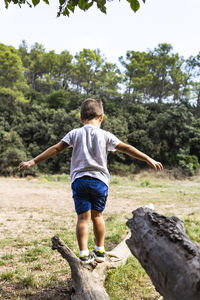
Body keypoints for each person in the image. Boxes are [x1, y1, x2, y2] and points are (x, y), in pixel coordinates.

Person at [19, 98, 163, 264]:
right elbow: (126, 148)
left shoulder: (74, 133)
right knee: (98, 216)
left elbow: (56, 148)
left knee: (82, 219)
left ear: (81, 119)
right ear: (101, 117)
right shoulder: (106, 135)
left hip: (80, 181)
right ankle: (100, 251)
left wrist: (33, 161)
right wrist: (147, 158)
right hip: (100, 182)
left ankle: (83, 254)